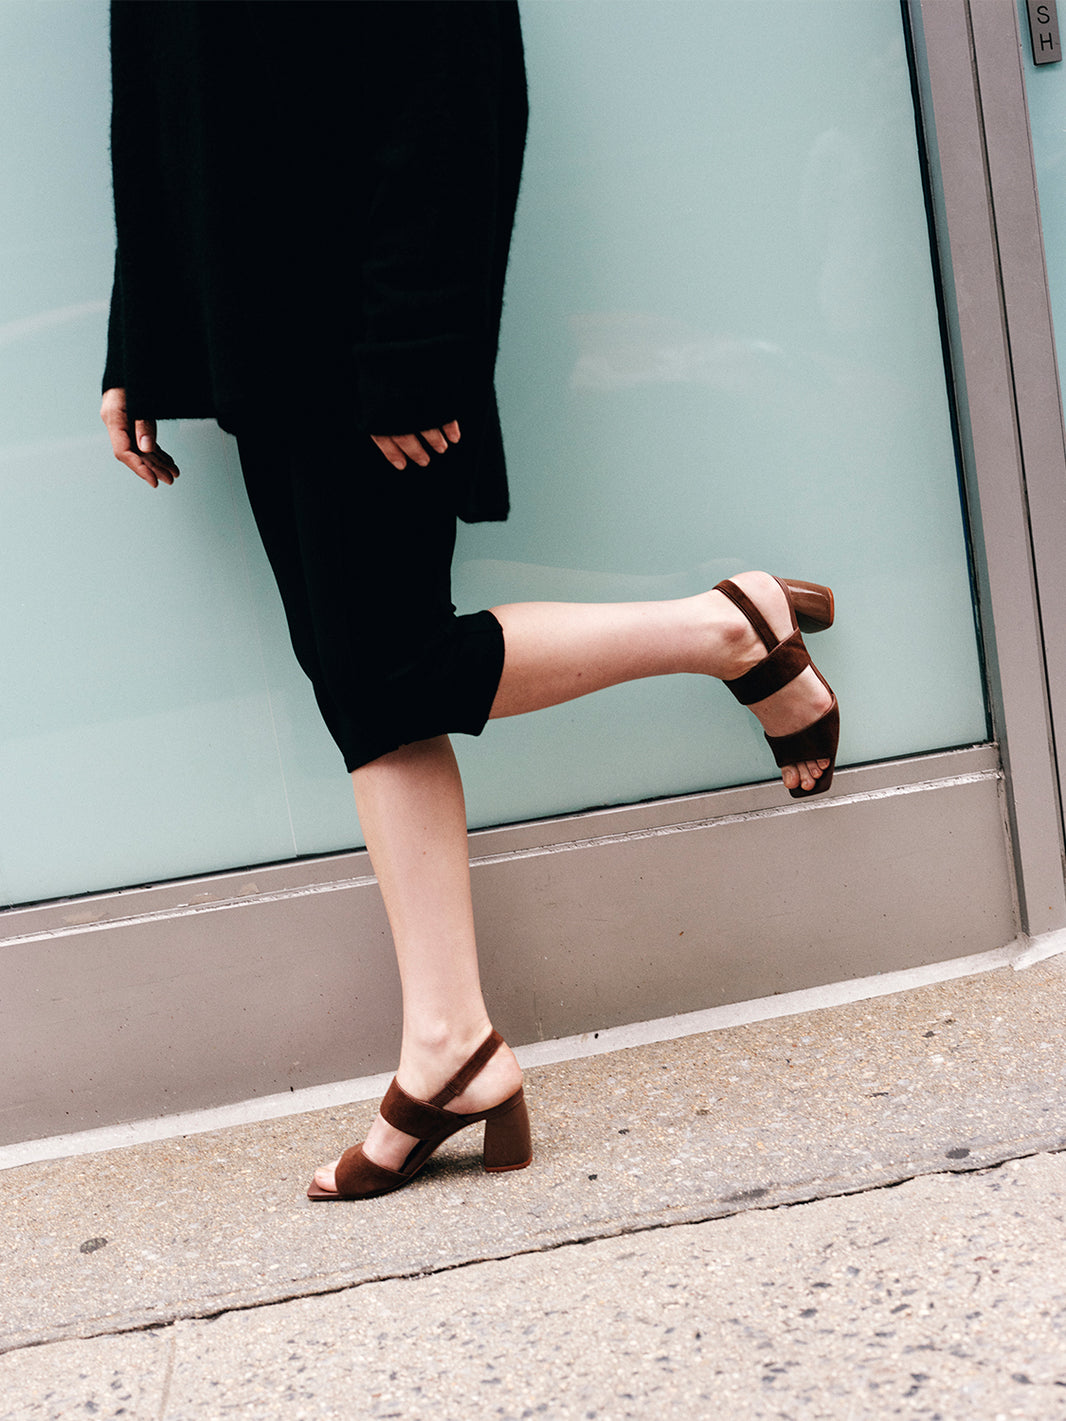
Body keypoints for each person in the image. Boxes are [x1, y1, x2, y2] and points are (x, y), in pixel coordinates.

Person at [101, 0, 838, 1201]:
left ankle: (726, 629)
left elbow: (456, 65)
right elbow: (158, 84)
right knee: (362, 686)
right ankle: (450, 1041)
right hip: (252, 319)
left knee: (379, 669)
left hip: (363, 317)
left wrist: (412, 343)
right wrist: (144, 336)